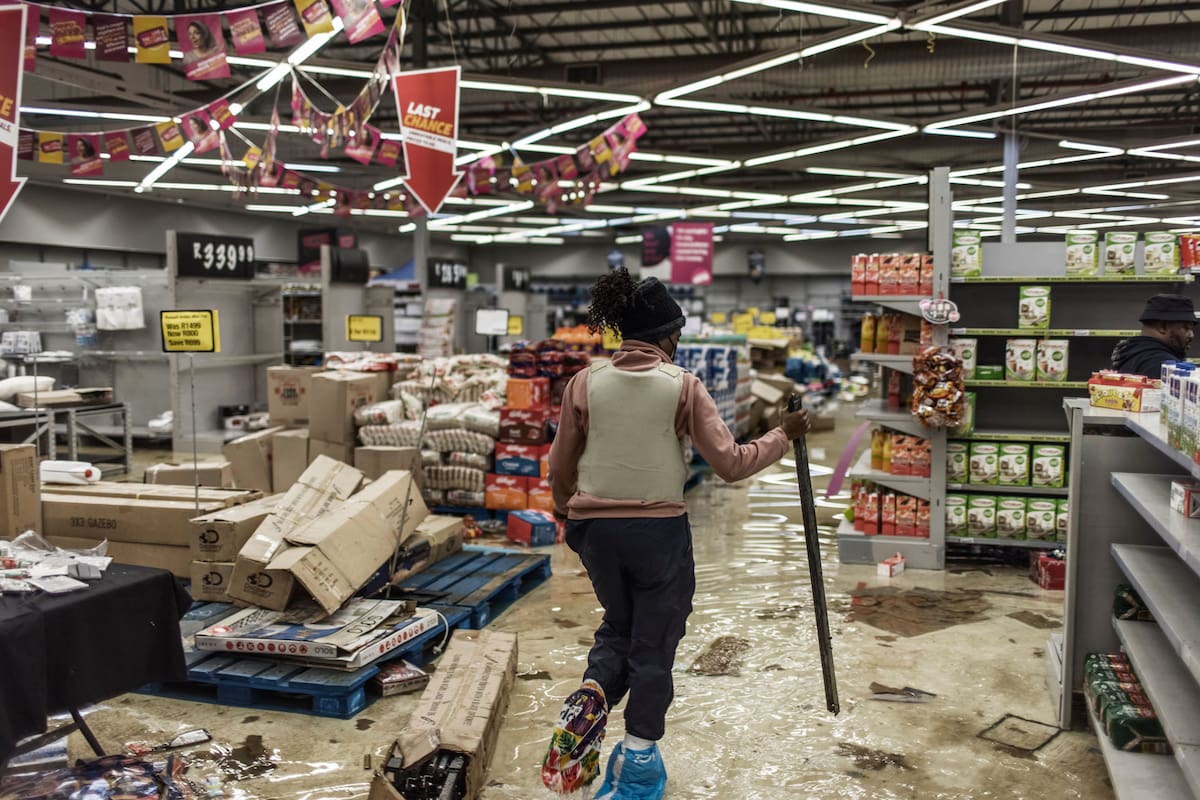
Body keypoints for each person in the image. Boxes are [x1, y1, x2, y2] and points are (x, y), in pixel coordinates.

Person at [541, 269, 811, 800]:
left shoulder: (584, 382)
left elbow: (560, 465)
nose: (679, 341)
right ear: (664, 334)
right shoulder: (682, 384)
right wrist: (783, 434)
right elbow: (730, 464)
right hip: (657, 532)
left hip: (595, 531)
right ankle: (638, 763)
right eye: (677, 332)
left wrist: (569, 519)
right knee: (654, 645)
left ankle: (592, 694)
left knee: (619, 626)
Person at [1111, 294, 1196, 376]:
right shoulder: (1164, 367)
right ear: (1163, 327)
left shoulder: (1129, 352)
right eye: (1186, 328)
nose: (1191, 335)